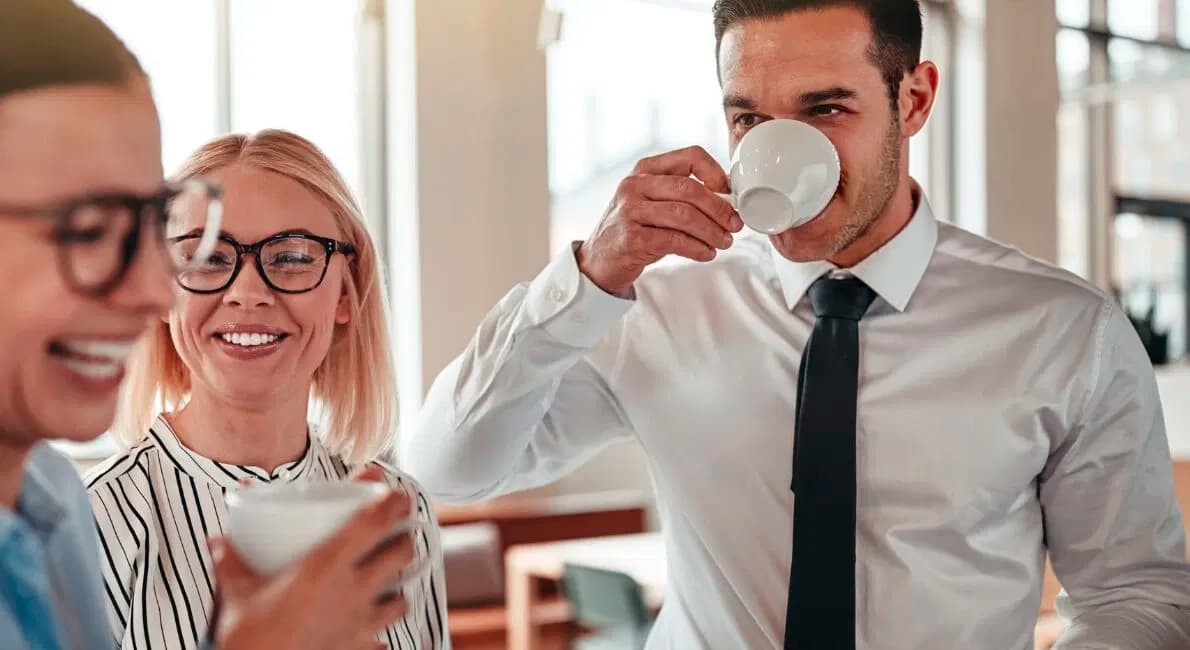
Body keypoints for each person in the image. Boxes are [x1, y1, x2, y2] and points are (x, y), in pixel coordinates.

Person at [403, 1, 1190, 648]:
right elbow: (448, 465)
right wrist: (582, 278)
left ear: (913, 100)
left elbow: (1135, 594)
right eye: (749, 120)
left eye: (826, 109)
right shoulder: (656, 305)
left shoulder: (1061, 331)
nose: (779, 151)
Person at [0, 2, 418, 649]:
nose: (152, 286)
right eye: (84, 226)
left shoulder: (52, 509)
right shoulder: (97, 511)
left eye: (143, 225)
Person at [85, 129, 448, 650]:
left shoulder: (401, 509)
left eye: (293, 257)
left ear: (347, 291)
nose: (248, 293)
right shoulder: (94, 522)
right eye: (207, 257)